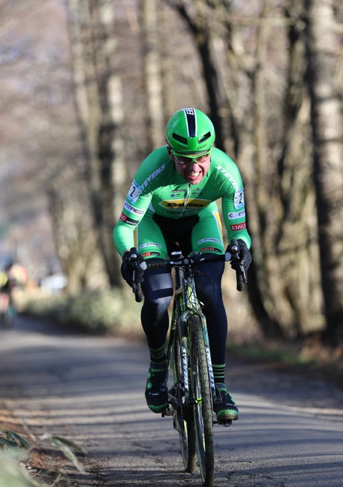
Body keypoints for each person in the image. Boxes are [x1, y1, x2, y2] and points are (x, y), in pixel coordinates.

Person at [113, 108, 252, 422]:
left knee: (208, 291)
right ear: (169, 152)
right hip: (155, 226)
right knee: (160, 298)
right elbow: (122, 228)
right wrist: (129, 254)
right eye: (184, 159)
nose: (193, 167)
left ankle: (219, 387)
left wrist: (242, 247)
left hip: (200, 224)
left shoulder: (226, 172)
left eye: (201, 157)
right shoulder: (153, 169)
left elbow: (239, 231)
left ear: (211, 152)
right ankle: (158, 367)